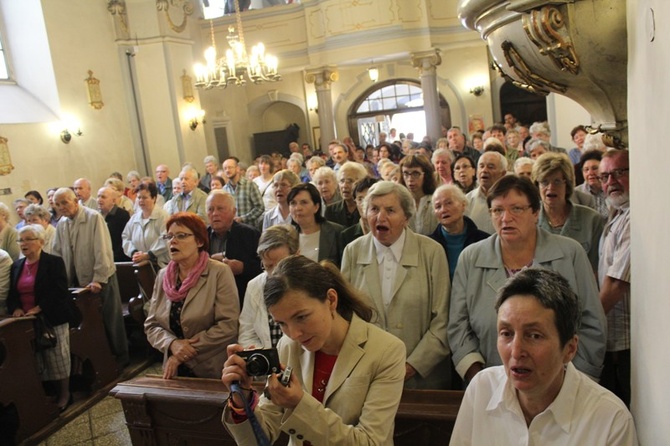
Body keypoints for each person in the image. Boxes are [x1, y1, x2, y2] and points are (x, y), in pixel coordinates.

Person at [222, 255, 406, 445]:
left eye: (301, 317)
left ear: (331, 300)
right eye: (282, 324)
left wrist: (299, 404)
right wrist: (241, 400)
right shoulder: (288, 346)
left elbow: (370, 442)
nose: (294, 334)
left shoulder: (386, 350)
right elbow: (258, 440)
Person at [450, 268, 638, 446]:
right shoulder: (482, 389)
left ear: (570, 349)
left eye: (534, 336)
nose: (516, 352)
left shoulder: (611, 420)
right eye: (506, 333)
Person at [448, 175, 606, 384]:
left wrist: (573, 379)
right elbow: (458, 326)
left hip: (559, 383)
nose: (506, 218)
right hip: (492, 380)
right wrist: (479, 378)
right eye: (498, 210)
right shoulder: (471, 257)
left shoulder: (570, 253)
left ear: (535, 212)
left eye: (516, 209)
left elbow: (593, 322)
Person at [341, 181, 451, 389]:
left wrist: (411, 366)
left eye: (390, 210)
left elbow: (443, 321)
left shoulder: (431, 252)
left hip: (423, 380)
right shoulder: (353, 252)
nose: (380, 217)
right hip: (368, 377)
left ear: (406, 217)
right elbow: (346, 315)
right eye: (374, 209)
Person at [144, 212, 239, 379]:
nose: (173, 241)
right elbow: (152, 325)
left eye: (181, 235)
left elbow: (228, 325)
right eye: (169, 236)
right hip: (173, 370)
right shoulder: (163, 276)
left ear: (199, 241)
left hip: (210, 368)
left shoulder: (218, 272)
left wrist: (182, 354)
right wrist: (172, 344)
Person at [51, 187, 129, 365]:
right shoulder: (62, 224)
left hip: (101, 278)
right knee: (88, 323)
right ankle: (100, 359)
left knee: (110, 319)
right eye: (58, 204)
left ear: (76, 201)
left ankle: (121, 357)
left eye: (65, 202)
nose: (62, 207)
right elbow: (56, 253)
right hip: (77, 282)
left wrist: (98, 278)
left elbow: (102, 250)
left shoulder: (93, 217)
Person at [7, 225, 74, 412]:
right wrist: (17, 308)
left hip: (51, 316)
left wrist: (40, 307)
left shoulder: (53, 262)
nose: (23, 243)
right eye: (21, 240)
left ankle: (65, 394)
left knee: (57, 357)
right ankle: (47, 394)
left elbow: (60, 290)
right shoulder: (17, 266)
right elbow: (13, 293)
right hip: (26, 321)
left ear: (41, 242)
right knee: (37, 359)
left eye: (28, 239)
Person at [532, 152, 604, 273]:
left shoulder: (592, 220)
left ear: (568, 184)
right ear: (537, 185)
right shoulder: (529, 219)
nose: (550, 188)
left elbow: (595, 272)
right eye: (544, 182)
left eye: (557, 181)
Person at [598, 149, 631, 407]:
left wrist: (585, 324)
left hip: (628, 344)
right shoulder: (616, 214)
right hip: (612, 340)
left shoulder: (633, 217)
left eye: (619, 173)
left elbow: (617, 282)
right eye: (605, 176)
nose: (611, 182)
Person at [237, 224, 299, 349]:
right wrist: (269, 360)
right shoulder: (254, 286)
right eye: (268, 266)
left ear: (296, 255)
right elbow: (247, 334)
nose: (275, 273)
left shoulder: (310, 281)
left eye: (281, 265)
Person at [206, 190, 261, 307]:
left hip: (242, 299)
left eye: (220, 209)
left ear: (234, 212)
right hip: (208, 301)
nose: (215, 213)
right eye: (210, 209)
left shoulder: (250, 235)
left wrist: (243, 268)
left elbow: (265, 267)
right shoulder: (200, 237)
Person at [429, 184, 488, 281]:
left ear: (463, 205)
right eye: (438, 206)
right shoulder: (429, 244)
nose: (443, 209)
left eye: (448, 203)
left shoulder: (483, 241)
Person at [288, 183, 343, 266]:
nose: (298, 208)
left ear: (316, 207)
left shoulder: (336, 232)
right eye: (293, 203)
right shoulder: (288, 236)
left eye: (304, 202)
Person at [122, 181, 170, 269]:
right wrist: (134, 252)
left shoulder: (163, 216)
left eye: (144, 197)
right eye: (139, 197)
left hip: (161, 264)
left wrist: (149, 254)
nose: (141, 200)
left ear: (154, 198)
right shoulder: (134, 218)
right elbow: (125, 237)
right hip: (141, 264)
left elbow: (166, 238)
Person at [465, 151, 507, 234]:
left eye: (491, 167)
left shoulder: (511, 199)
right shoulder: (467, 200)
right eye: (481, 166)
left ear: (502, 174)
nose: (484, 170)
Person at [399, 154, 439, 235]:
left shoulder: (436, 201)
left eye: (415, 174)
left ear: (426, 175)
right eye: (406, 174)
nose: (410, 179)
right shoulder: (400, 203)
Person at [222, 157, 265, 227]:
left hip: (250, 228)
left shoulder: (250, 185)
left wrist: (243, 218)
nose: (227, 170)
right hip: (233, 229)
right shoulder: (224, 190)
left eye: (230, 167)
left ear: (237, 168)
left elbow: (260, 207)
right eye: (225, 168)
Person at [325, 161, 367, 227]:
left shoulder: (367, 209)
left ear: (361, 183)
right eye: (342, 181)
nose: (344, 185)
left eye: (350, 181)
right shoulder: (330, 210)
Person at [340, 177, 379, 248]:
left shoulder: (387, 228)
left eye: (368, 198)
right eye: (360, 199)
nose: (364, 203)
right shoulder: (347, 235)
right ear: (355, 202)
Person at [97, 186, 131, 262]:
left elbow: (123, 239)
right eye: (98, 196)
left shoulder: (122, 215)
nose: (99, 199)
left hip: (119, 259)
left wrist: (112, 258)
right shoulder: (96, 216)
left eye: (103, 197)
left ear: (113, 201)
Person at [576, 150, 609, 218]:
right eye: (586, 170)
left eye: (595, 168)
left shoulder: (611, 190)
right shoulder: (576, 193)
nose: (590, 173)